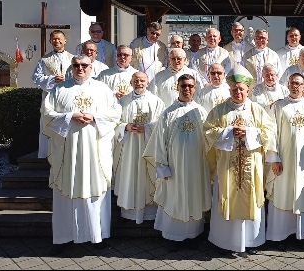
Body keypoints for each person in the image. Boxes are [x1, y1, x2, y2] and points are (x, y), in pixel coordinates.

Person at [41, 55, 122, 254]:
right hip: (68, 152)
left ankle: (97, 235)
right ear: (71, 67)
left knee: (95, 189)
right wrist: (70, 117)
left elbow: (115, 113)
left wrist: (95, 117)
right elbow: (46, 114)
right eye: (76, 65)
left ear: (91, 67)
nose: (80, 68)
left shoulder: (102, 89)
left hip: (95, 151)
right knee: (66, 190)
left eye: (84, 65)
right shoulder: (59, 89)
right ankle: (63, 237)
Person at [203, 64, 277, 257]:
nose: (238, 92)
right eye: (234, 89)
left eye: (241, 89)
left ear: (248, 90)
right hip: (227, 166)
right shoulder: (219, 111)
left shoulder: (257, 110)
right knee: (226, 195)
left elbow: (269, 133)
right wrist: (228, 132)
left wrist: (249, 133)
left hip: (251, 166)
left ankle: (251, 241)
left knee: (250, 197)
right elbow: (208, 132)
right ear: (230, 89)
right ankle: (224, 240)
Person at [143, 74, 211, 250]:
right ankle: (173, 236)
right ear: (177, 88)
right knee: (175, 198)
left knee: (194, 196)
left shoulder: (200, 112)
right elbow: (159, 141)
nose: (186, 89)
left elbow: (208, 141)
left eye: (190, 86)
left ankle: (193, 235)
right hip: (174, 167)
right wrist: (162, 166)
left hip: (196, 166)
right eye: (183, 86)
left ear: (195, 88)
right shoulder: (168, 113)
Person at [266, 73, 304, 250]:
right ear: (287, 85)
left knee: (300, 194)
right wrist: (274, 158)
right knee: (281, 193)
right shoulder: (278, 106)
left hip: (303, 164)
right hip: (283, 162)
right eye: (292, 83)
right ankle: (278, 235)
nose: (295, 86)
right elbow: (271, 134)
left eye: (298, 84)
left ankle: (300, 235)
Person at [112, 71, 165, 224]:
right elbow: (114, 123)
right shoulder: (122, 102)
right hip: (128, 149)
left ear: (147, 83)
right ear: (131, 82)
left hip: (149, 148)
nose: (139, 83)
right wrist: (125, 127)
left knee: (148, 176)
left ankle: (150, 213)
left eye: (142, 80)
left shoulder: (156, 102)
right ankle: (128, 213)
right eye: (136, 80)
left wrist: (147, 128)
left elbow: (162, 124)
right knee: (129, 174)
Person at [32, 30, 74, 158]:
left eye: (59, 39)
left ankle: (67, 151)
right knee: (49, 120)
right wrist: (51, 80)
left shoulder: (72, 58)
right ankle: (47, 153)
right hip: (50, 96)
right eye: (54, 39)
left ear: (65, 40)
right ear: (50, 41)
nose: (57, 41)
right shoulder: (44, 60)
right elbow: (36, 77)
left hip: (68, 95)